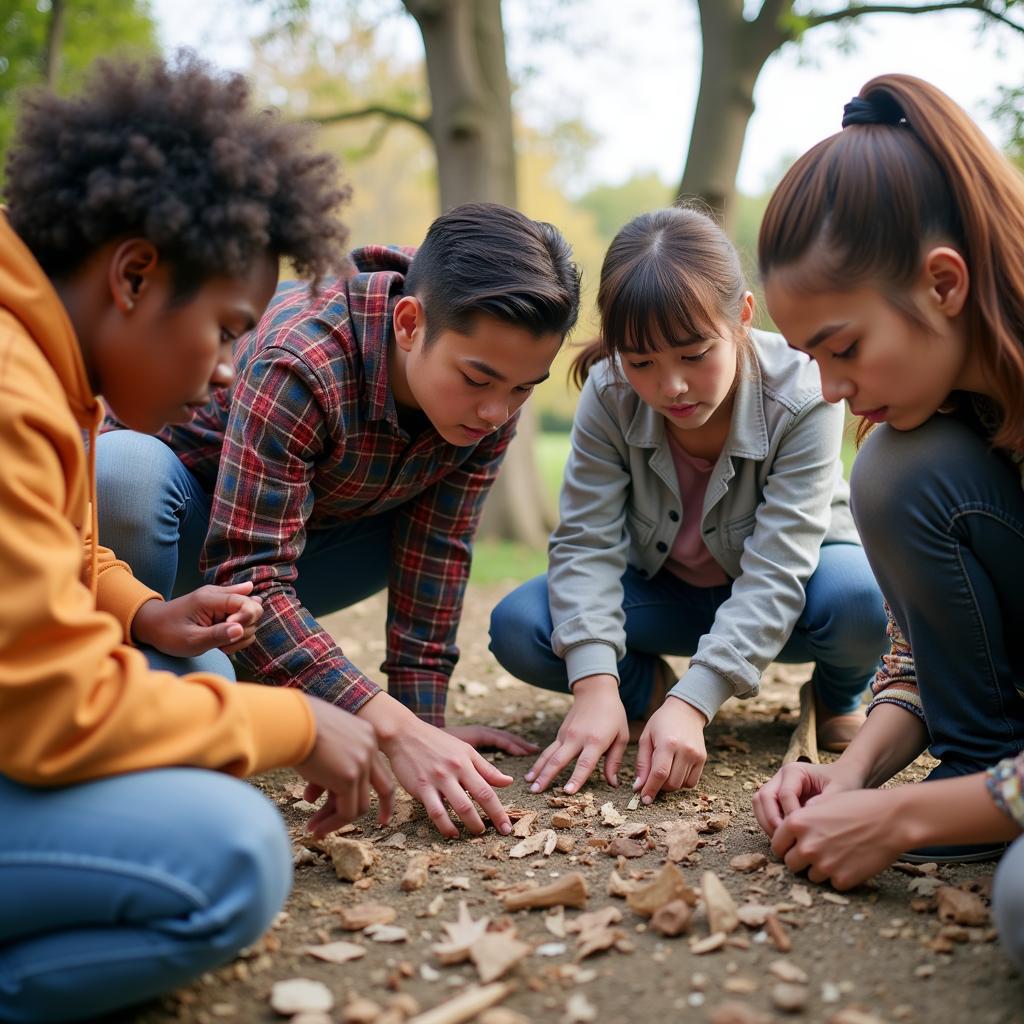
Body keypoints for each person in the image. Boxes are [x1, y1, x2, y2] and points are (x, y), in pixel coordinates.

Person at [0, 53, 395, 1023]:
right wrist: (300, 724)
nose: (226, 371)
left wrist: (147, 611)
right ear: (135, 274)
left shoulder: (40, 355)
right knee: (231, 856)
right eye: (225, 330)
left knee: (199, 684)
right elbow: (57, 716)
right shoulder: (15, 393)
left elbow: (56, 549)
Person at [96, 202, 582, 840]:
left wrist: (420, 725)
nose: (497, 411)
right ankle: (137, 687)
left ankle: (230, 675)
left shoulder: (492, 391)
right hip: (175, 542)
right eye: (478, 380)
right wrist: (387, 724)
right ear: (409, 323)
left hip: (295, 553)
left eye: (524, 388)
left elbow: (436, 549)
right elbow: (250, 569)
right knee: (124, 471)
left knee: (420, 546)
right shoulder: (303, 358)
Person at [751, 74, 1024, 966]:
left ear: (944, 283)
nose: (828, 389)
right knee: (894, 471)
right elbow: (919, 651)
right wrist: (854, 773)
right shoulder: (944, 428)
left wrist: (905, 818)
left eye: (843, 347)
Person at [489, 207, 887, 802]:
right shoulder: (608, 389)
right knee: (523, 626)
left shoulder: (806, 393)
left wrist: (697, 704)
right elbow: (586, 543)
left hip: (801, 599)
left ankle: (837, 693)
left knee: (865, 601)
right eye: (642, 362)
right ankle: (642, 690)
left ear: (743, 317)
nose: (670, 386)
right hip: (662, 593)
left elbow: (779, 568)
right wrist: (596, 687)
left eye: (695, 354)